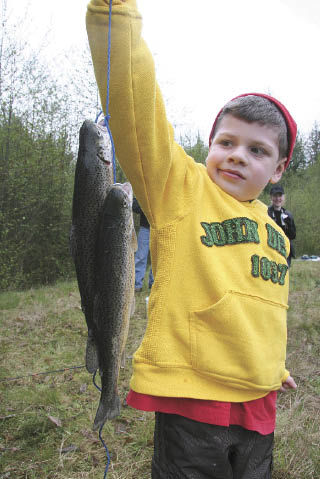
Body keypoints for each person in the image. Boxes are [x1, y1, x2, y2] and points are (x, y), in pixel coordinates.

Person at [86, 2, 297, 477]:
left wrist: (275, 369)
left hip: (260, 402)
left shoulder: (276, 233)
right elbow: (136, 112)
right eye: (226, 142)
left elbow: (265, 308)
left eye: (257, 150)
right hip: (193, 398)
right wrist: (114, 15)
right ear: (209, 145)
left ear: (279, 168)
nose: (237, 156)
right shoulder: (180, 189)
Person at [268, 185, 296, 267]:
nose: (277, 198)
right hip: (271, 250)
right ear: (271, 197)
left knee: (284, 276)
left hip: (286, 251)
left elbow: (293, 235)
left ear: (283, 197)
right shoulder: (266, 213)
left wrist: (289, 225)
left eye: (280, 196)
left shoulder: (288, 215)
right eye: (275, 196)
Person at [133, 197, 154, 291]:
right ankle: (136, 285)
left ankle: (154, 284)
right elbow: (134, 205)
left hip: (160, 228)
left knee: (157, 258)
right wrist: (146, 208)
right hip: (145, 227)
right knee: (140, 256)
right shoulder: (144, 191)